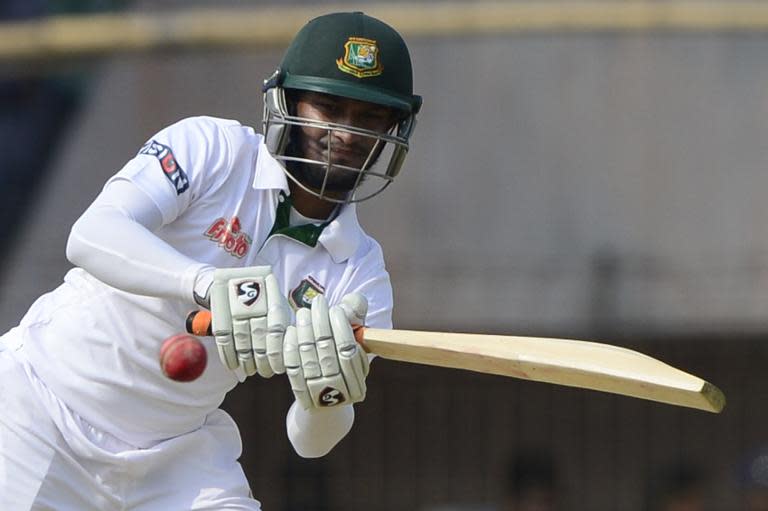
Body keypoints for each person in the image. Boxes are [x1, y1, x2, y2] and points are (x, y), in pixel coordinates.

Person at [0, 11, 421, 511]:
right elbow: (92, 235)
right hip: (39, 405)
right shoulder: (213, 149)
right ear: (286, 102)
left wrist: (326, 393)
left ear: (392, 130)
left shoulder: (360, 273)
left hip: (176, 454)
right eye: (328, 108)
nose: (347, 134)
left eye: (369, 118)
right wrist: (205, 284)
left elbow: (310, 442)